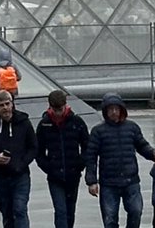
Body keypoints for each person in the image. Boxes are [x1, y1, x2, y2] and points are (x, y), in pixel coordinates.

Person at [83, 92, 155, 228]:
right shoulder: (98, 131)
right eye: (110, 109)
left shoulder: (131, 128)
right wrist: (91, 181)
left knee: (136, 211)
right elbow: (91, 157)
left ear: (122, 109)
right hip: (109, 183)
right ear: (105, 111)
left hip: (130, 181)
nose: (114, 112)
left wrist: (154, 154)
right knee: (110, 220)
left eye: (116, 109)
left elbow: (142, 146)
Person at [0, 90, 37, 228]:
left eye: (7, 104)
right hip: (0, 176)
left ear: (12, 104)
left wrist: (22, 164)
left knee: (20, 208)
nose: (5, 107)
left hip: (20, 175)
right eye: (1, 105)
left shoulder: (24, 123)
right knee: (6, 212)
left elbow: (33, 147)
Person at [35, 89, 90, 228]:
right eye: (55, 109)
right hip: (55, 176)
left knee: (70, 211)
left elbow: (87, 146)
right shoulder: (44, 125)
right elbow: (38, 151)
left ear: (66, 105)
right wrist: (48, 167)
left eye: (60, 109)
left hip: (73, 173)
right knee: (60, 211)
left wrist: (80, 164)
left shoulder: (77, 122)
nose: (58, 113)